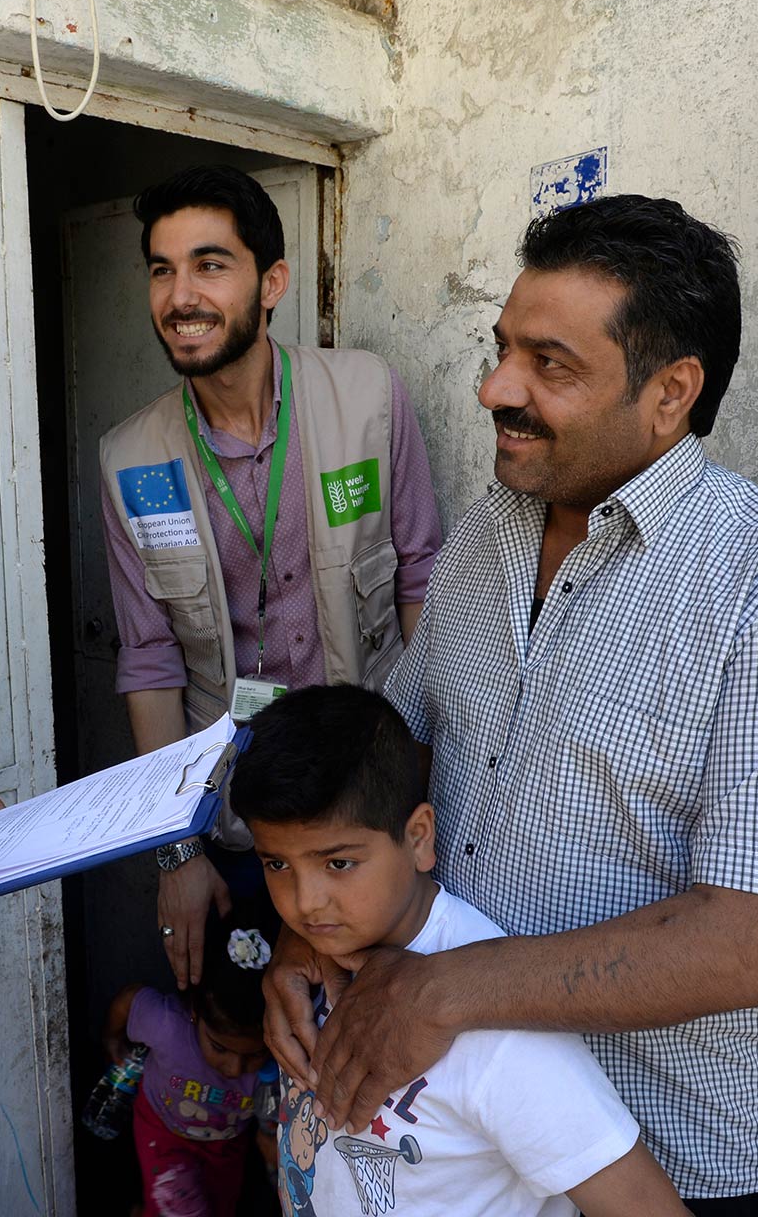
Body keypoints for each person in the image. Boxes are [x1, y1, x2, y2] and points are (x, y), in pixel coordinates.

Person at [260, 195, 758, 1216]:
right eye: (503, 346)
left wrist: (449, 988)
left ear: (671, 392)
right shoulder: (483, 537)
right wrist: (309, 940)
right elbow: (388, 772)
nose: (494, 387)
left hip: (660, 1155)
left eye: (549, 364)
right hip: (455, 1128)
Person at [99, 164, 443, 993]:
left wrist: (420, 787)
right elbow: (150, 662)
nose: (182, 296)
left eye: (210, 265)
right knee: (258, 1046)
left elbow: (423, 583)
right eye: (162, 269)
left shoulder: (367, 398)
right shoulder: (131, 458)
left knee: (382, 1047)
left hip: (370, 813)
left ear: (272, 282)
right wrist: (176, 850)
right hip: (239, 824)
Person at [233, 685, 691, 1217]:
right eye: (277, 865)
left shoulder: (499, 1031)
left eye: (338, 864)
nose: (305, 904)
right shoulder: (312, 961)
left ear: (420, 838)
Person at [103, 902, 280, 1217]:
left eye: (254, 1054)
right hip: (164, 1133)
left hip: (228, 1148)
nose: (234, 1068)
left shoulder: (276, 1061)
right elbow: (131, 1000)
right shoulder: (168, 1026)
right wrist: (112, 1039)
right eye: (219, 1048)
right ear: (195, 1012)